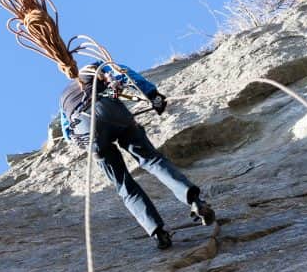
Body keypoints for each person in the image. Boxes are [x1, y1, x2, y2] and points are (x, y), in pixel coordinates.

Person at [59, 61, 215, 250]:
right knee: (151, 160)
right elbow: (126, 75)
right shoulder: (94, 67)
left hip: (86, 130)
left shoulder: (63, 97)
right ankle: (195, 202)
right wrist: (153, 95)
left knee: (123, 184)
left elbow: (68, 133)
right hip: (110, 108)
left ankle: (158, 233)